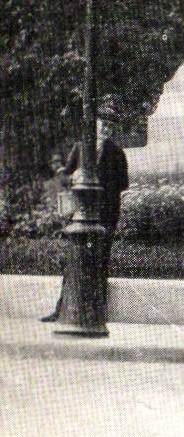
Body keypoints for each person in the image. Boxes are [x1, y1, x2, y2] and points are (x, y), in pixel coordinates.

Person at [40, 104, 129, 323]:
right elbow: (66, 176)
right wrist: (73, 178)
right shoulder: (81, 148)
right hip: (80, 214)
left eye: (110, 126)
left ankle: (97, 311)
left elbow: (123, 183)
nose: (106, 129)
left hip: (105, 215)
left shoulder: (117, 153)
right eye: (103, 124)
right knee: (73, 260)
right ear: (95, 126)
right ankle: (62, 309)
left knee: (101, 262)